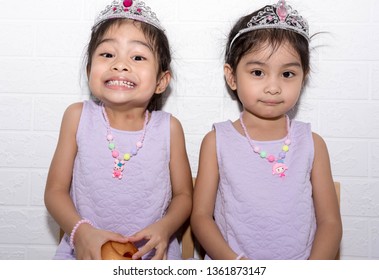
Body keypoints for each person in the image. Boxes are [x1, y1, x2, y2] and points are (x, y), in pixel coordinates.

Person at [191, 0, 342, 260]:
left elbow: (330, 222)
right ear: (232, 77)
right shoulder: (217, 141)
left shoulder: (312, 144)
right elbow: (201, 217)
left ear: (303, 77)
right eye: (258, 72)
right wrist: (234, 264)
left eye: (287, 74)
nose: (273, 87)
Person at [44, 0, 193, 260]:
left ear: (161, 81)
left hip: (152, 254)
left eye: (137, 57)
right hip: (84, 249)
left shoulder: (169, 128)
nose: (120, 65)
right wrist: (81, 233)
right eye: (107, 54)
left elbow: (183, 195)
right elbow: (55, 191)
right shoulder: (77, 117)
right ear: (90, 70)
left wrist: (165, 228)